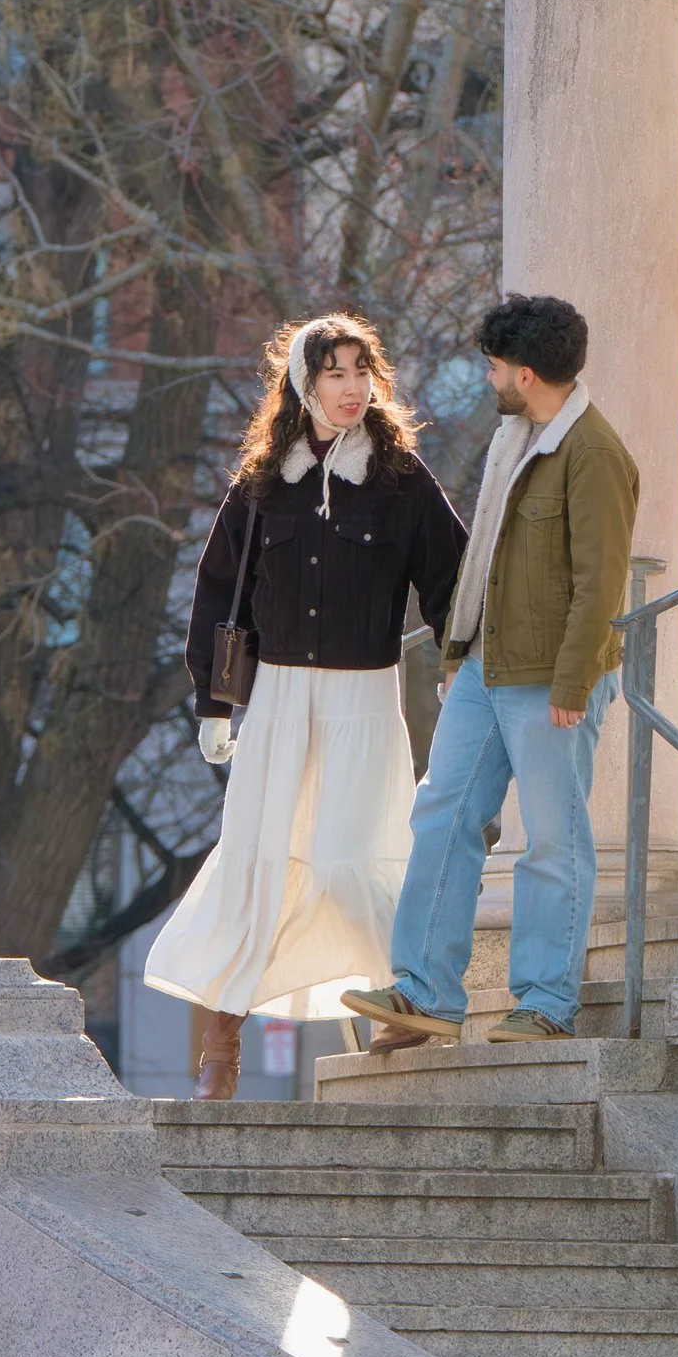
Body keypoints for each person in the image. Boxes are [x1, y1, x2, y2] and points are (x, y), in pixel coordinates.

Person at [147, 313, 468, 1101]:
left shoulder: (402, 480)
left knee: (360, 851)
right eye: (334, 372)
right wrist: (213, 704)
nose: (352, 388)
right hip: (280, 700)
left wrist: (464, 664)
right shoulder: (261, 484)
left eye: (362, 371)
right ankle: (221, 1042)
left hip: (365, 698)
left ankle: (403, 996)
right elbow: (219, 595)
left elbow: (454, 580)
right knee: (259, 857)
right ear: (303, 382)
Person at [350, 292, 638, 1052]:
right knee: (441, 815)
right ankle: (422, 992)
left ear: (530, 373)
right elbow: (485, 560)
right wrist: (456, 654)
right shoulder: (517, 439)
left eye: (497, 366)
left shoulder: (595, 455)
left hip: (552, 678)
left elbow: (600, 581)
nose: (489, 377)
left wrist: (575, 683)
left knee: (552, 840)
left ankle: (545, 1002)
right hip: (485, 668)